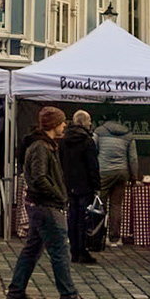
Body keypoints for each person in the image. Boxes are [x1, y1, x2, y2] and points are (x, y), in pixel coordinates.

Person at [5, 107, 92, 299]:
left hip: (41, 205)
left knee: (32, 250)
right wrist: (59, 195)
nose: (64, 126)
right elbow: (39, 177)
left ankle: (16, 291)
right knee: (60, 251)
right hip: (46, 206)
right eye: (62, 122)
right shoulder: (41, 147)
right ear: (53, 125)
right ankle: (68, 295)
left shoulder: (44, 145)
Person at [60, 110, 102, 265]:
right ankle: (82, 251)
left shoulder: (63, 140)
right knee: (83, 219)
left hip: (69, 184)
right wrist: (96, 186)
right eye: (89, 120)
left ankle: (73, 251)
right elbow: (93, 166)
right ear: (83, 122)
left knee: (72, 217)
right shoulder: (87, 141)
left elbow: (61, 162)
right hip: (85, 185)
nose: (90, 123)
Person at [95, 115, 138, 245]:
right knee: (116, 205)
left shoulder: (99, 132)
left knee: (99, 204)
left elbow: (93, 151)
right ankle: (115, 238)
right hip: (121, 172)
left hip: (104, 172)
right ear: (119, 119)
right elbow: (133, 158)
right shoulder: (128, 135)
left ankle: (97, 236)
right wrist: (134, 176)